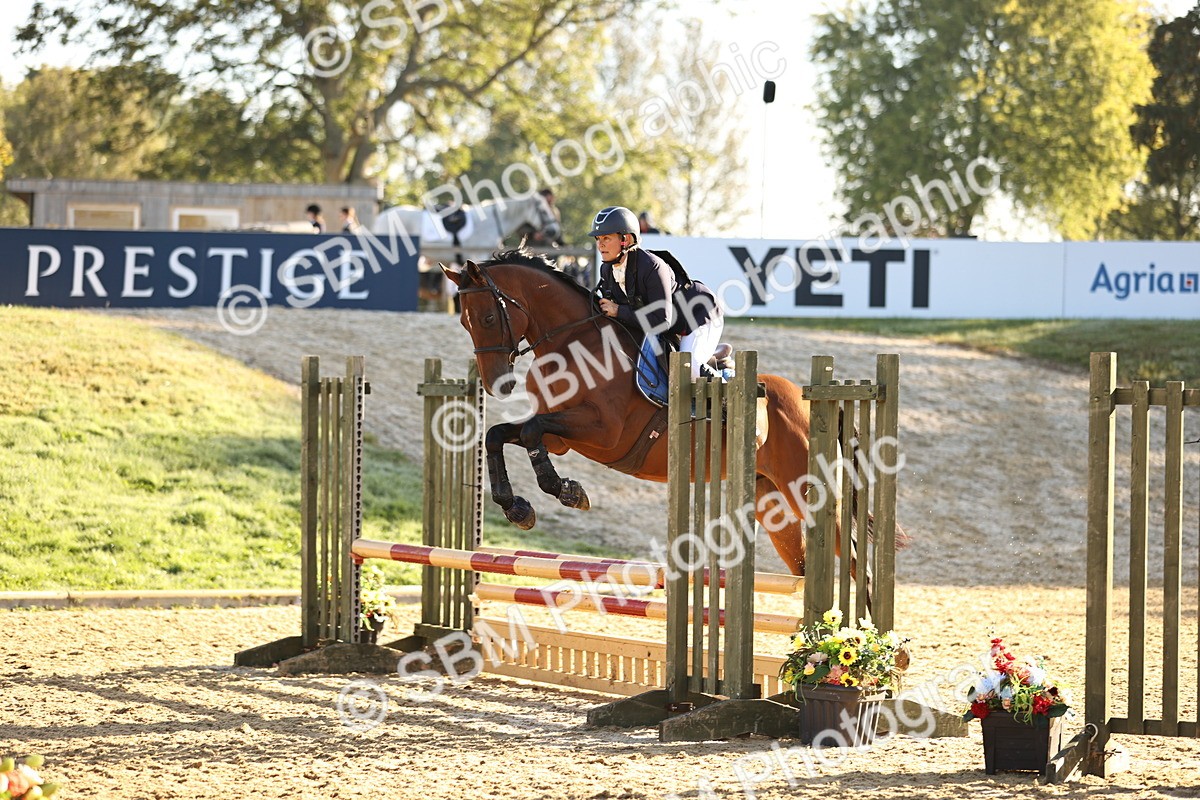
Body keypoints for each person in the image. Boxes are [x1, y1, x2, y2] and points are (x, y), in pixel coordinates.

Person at [590, 205, 723, 380]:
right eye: (598, 238)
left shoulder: (652, 266)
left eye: (606, 238)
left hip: (699, 316)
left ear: (626, 240)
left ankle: (728, 399)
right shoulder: (606, 270)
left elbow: (661, 320)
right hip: (669, 324)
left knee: (690, 367)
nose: (600, 244)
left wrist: (619, 311)